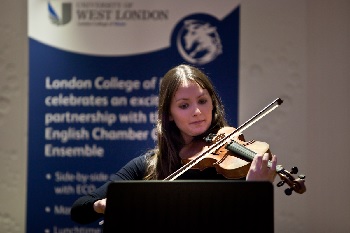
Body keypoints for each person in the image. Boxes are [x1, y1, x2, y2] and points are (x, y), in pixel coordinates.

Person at [70, 64, 277, 225]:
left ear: (213, 103)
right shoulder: (147, 165)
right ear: (169, 114)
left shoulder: (236, 164)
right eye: (184, 105)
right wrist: (100, 206)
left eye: (202, 101)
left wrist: (255, 192)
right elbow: (79, 210)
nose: (197, 111)